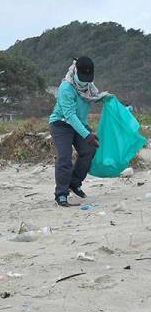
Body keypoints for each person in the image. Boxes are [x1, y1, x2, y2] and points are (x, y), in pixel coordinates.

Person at [49, 57, 109, 207]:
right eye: (82, 78)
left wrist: (110, 100)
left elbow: (94, 96)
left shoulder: (88, 84)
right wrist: (87, 135)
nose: (85, 81)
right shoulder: (66, 88)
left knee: (90, 149)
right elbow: (69, 115)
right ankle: (61, 194)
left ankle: (74, 183)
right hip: (61, 124)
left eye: (88, 78)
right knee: (65, 156)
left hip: (79, 124)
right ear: (76, 71)